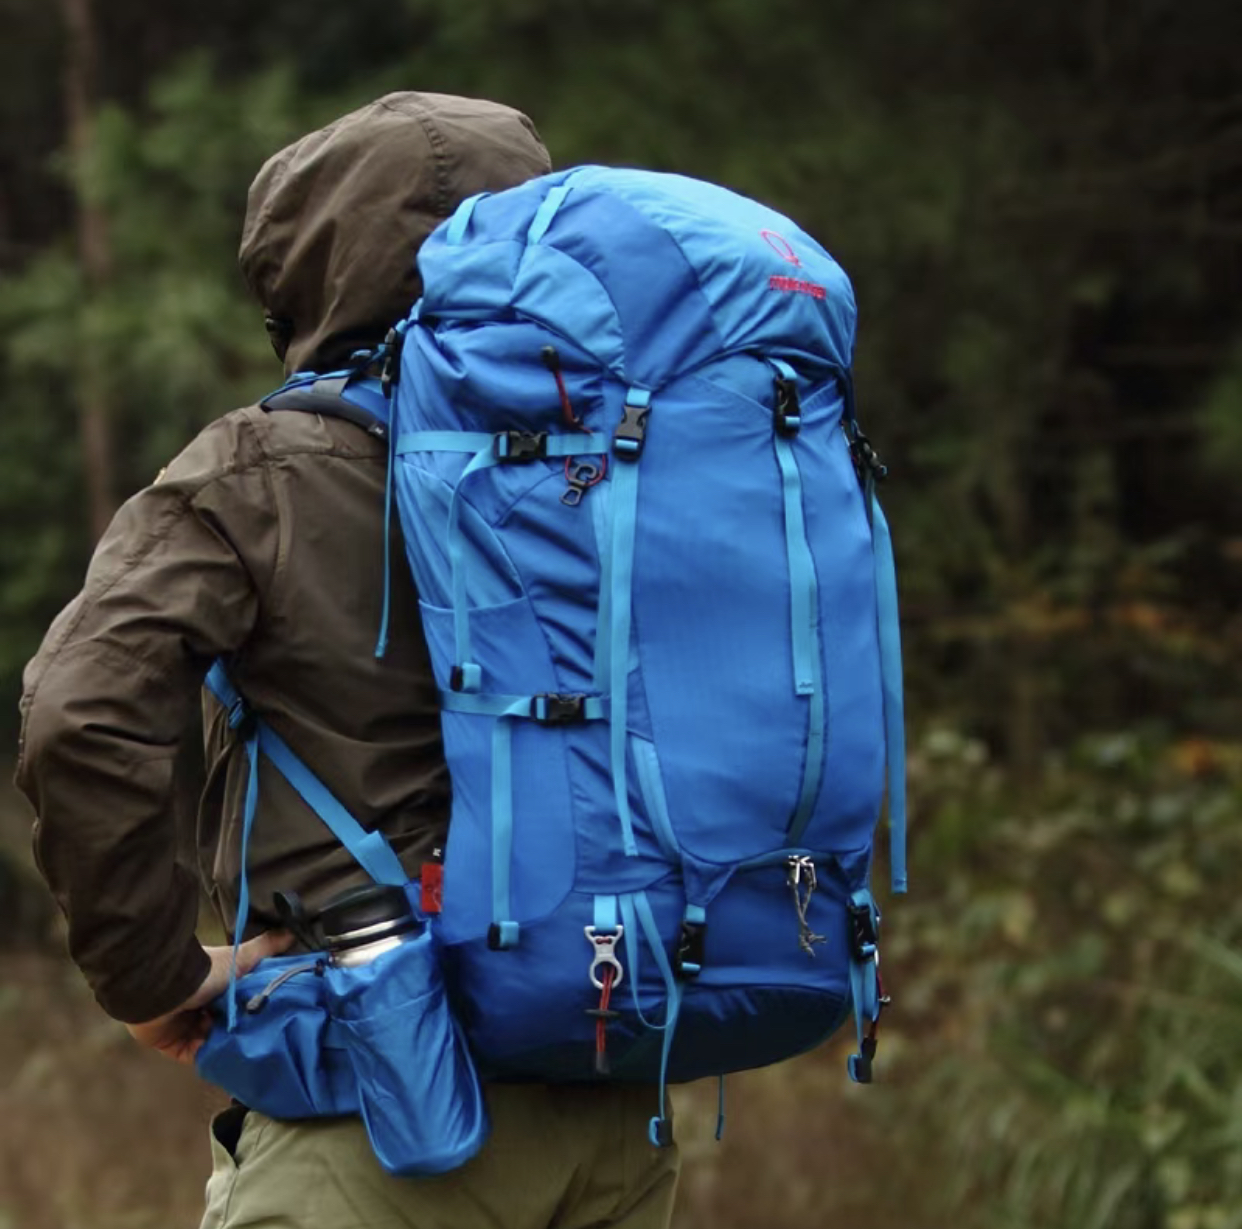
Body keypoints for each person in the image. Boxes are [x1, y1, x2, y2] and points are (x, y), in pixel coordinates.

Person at [15, 92, 681, 1229]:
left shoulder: (261, 471)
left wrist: (153, 975)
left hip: (375, 1107)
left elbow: (81, 711)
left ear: (309, 278)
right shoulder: (636, 453)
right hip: (617, 1101)